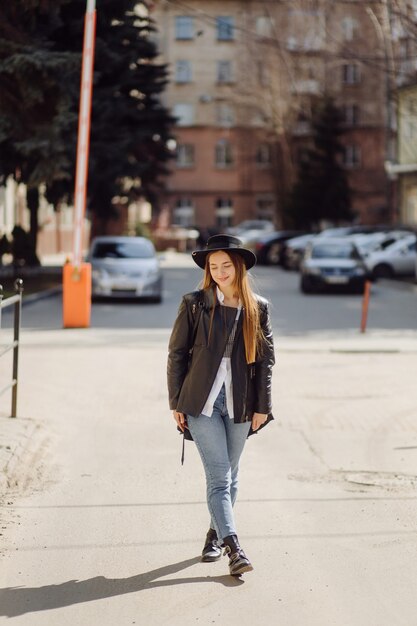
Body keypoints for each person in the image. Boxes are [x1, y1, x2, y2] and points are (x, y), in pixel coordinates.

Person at [167, 234, 275, 577]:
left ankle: (213, 535)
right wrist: (176, 402)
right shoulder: (194, 303)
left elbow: (266, 363)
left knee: (232, 475)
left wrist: (263, 406)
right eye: (214, 267)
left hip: (241, 404)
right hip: (202, 404)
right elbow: (176, 355)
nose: (220, 272)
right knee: (219, 476)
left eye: (226, 265)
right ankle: (234, 547)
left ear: (239, 266)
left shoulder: (258, 307)